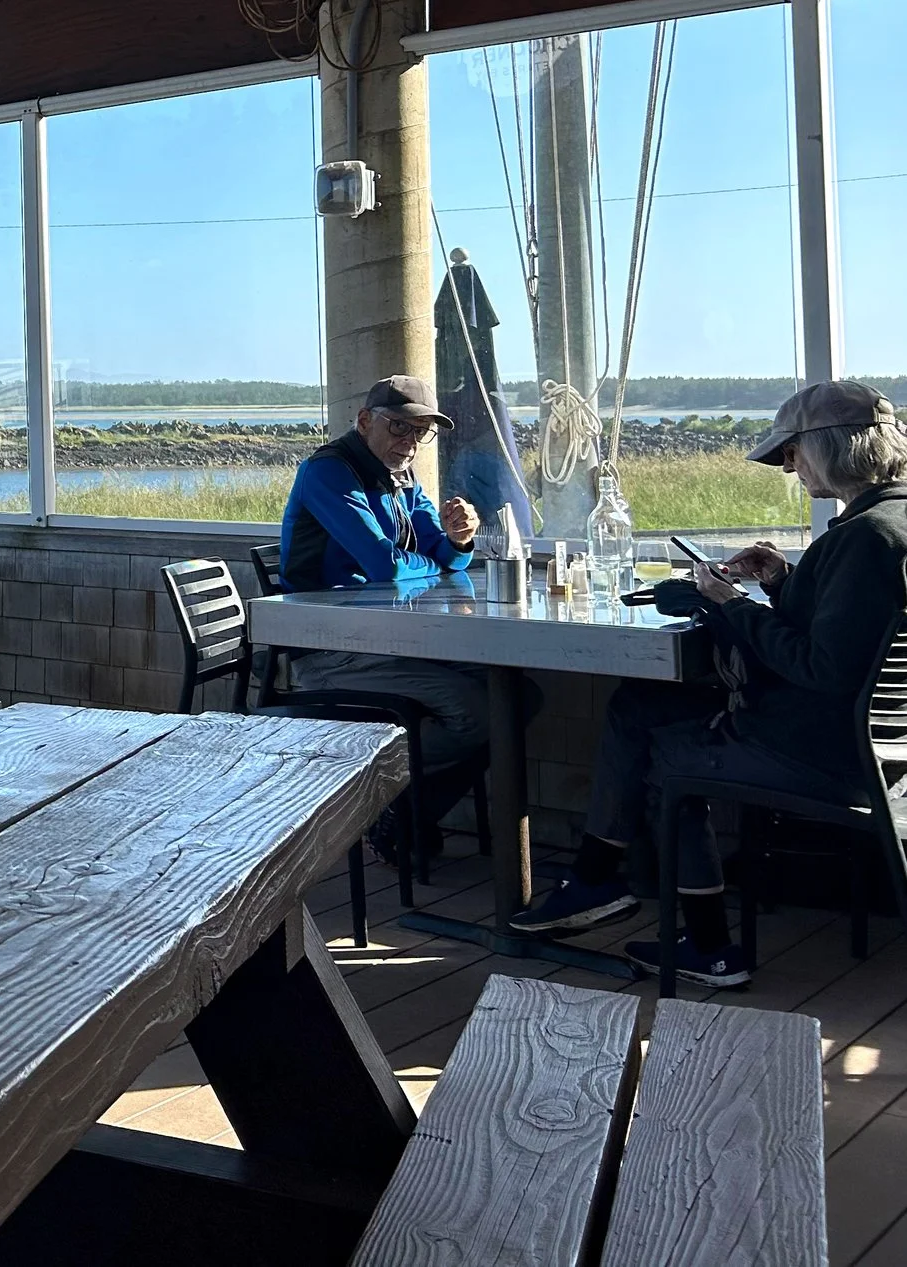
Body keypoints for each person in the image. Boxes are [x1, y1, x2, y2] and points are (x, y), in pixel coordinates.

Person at [513, 381, 907, 987]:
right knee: (639, 704)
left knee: (671, 758)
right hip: (881, 747)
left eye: (794, 452)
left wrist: (728, 603)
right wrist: (778, 582)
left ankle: (707, 947)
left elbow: (822, 669)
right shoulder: (888, 523)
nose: (791, 466)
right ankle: (595, 881)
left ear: (828, 448)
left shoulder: (863, 538)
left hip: (827, 752)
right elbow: (851, 629)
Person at [276, 376, 488, 861]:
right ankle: (375, 799)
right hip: (330, 649)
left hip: (389, 637)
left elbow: (443, 554)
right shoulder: (330, 472)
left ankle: (409, 812)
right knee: (481, 714)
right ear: (365, 421)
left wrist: (457, 540)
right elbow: (386, 567)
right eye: (399, 427)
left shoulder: (402, 475)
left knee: (519, 695)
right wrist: (431, 559)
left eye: (420, 432)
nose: (409, 442)